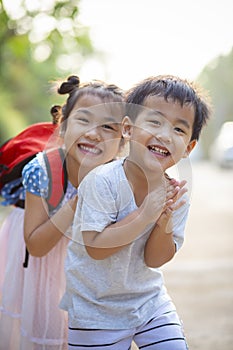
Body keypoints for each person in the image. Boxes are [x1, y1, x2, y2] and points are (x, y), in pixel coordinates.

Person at [60, 75, 211, 350]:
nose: (165, 134)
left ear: (188, 148)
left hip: (149, 302)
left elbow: (154, 260)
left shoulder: (174, 194)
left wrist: (163, 220)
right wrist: (145, 214)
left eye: (179, 129)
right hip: (95, 308)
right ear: (128, 129)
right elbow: (95, 247)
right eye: (154, 121)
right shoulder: (101, 181)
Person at [0, 75, 126, 350]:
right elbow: (35, 246)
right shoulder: (42, 172)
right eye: (83, 120)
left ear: (122, 139)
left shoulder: (118, 177)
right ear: (63, 124)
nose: (93, 134)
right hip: (38, 252)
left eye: (107, 126)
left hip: (81, 260)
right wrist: (78, 201)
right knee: (43, 330)